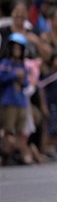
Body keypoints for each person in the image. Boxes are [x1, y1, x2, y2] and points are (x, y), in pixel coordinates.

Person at [0, 33, 32, 164]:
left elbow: (25, 83)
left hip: (21, 101)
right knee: (8, 129)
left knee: (20, 130)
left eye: (20, 48)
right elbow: (1, 78)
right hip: (9, 101)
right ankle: (5, 153)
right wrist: (14, 75)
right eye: (15, 48)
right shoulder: (5, 63)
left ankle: (16, 153)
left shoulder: (22, 65)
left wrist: (22, 77)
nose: (17, 51)